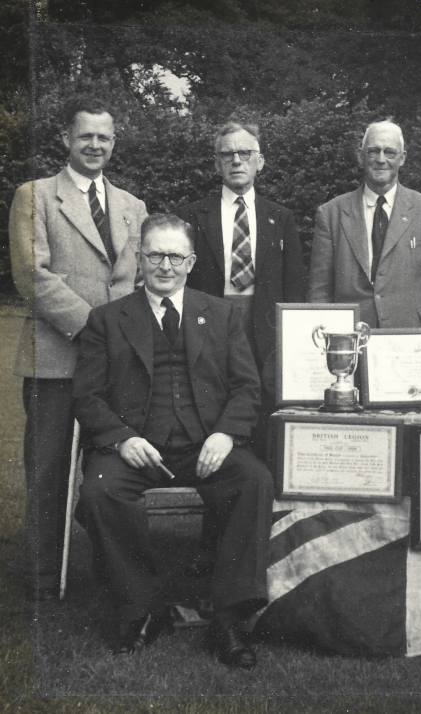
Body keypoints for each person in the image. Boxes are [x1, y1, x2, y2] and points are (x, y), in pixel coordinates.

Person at [72, 215, 274, 669]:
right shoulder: (106, 319)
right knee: (99, 491)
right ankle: (143, 608)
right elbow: (87, 395)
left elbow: (247, 387)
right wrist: (122, 439)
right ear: (139, 259)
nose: (165, 265)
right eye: (155, 255)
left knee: (254, 480)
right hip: (138, 449)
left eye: (175, 256)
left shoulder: (221, 314)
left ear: (191, 261)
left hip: (207, 446)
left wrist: (225, 433)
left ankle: (230, 616)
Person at [9, 95, 147, 602]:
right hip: (56, 359)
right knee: (48, 472)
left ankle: (110, 572)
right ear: (66, 139)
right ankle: (45, 579)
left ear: (114, 143)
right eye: (85, 135)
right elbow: (32, 276)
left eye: (103, 137)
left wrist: (127, 339)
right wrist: (96, 330)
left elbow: (136, 282)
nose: (94, 145)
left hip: (116, 368)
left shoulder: (133, 206)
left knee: (110, 472)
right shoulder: (35, 195)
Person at [176, 122, 306, 378]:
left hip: (265, 329)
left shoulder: (281, 217)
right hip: (209, 327)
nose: (236, 161)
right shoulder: (192, 215)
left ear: (260, 161)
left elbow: (294, 283)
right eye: (227, 155)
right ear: (217, 164)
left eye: (245, 153)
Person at [307, 120, 421, 327]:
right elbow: (319, 289)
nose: (381, 159)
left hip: (412, 334)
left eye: (390, 152)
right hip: (351, 334)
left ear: (402, 158)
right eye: (373, 151)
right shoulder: (331, 213)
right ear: (360, 156)